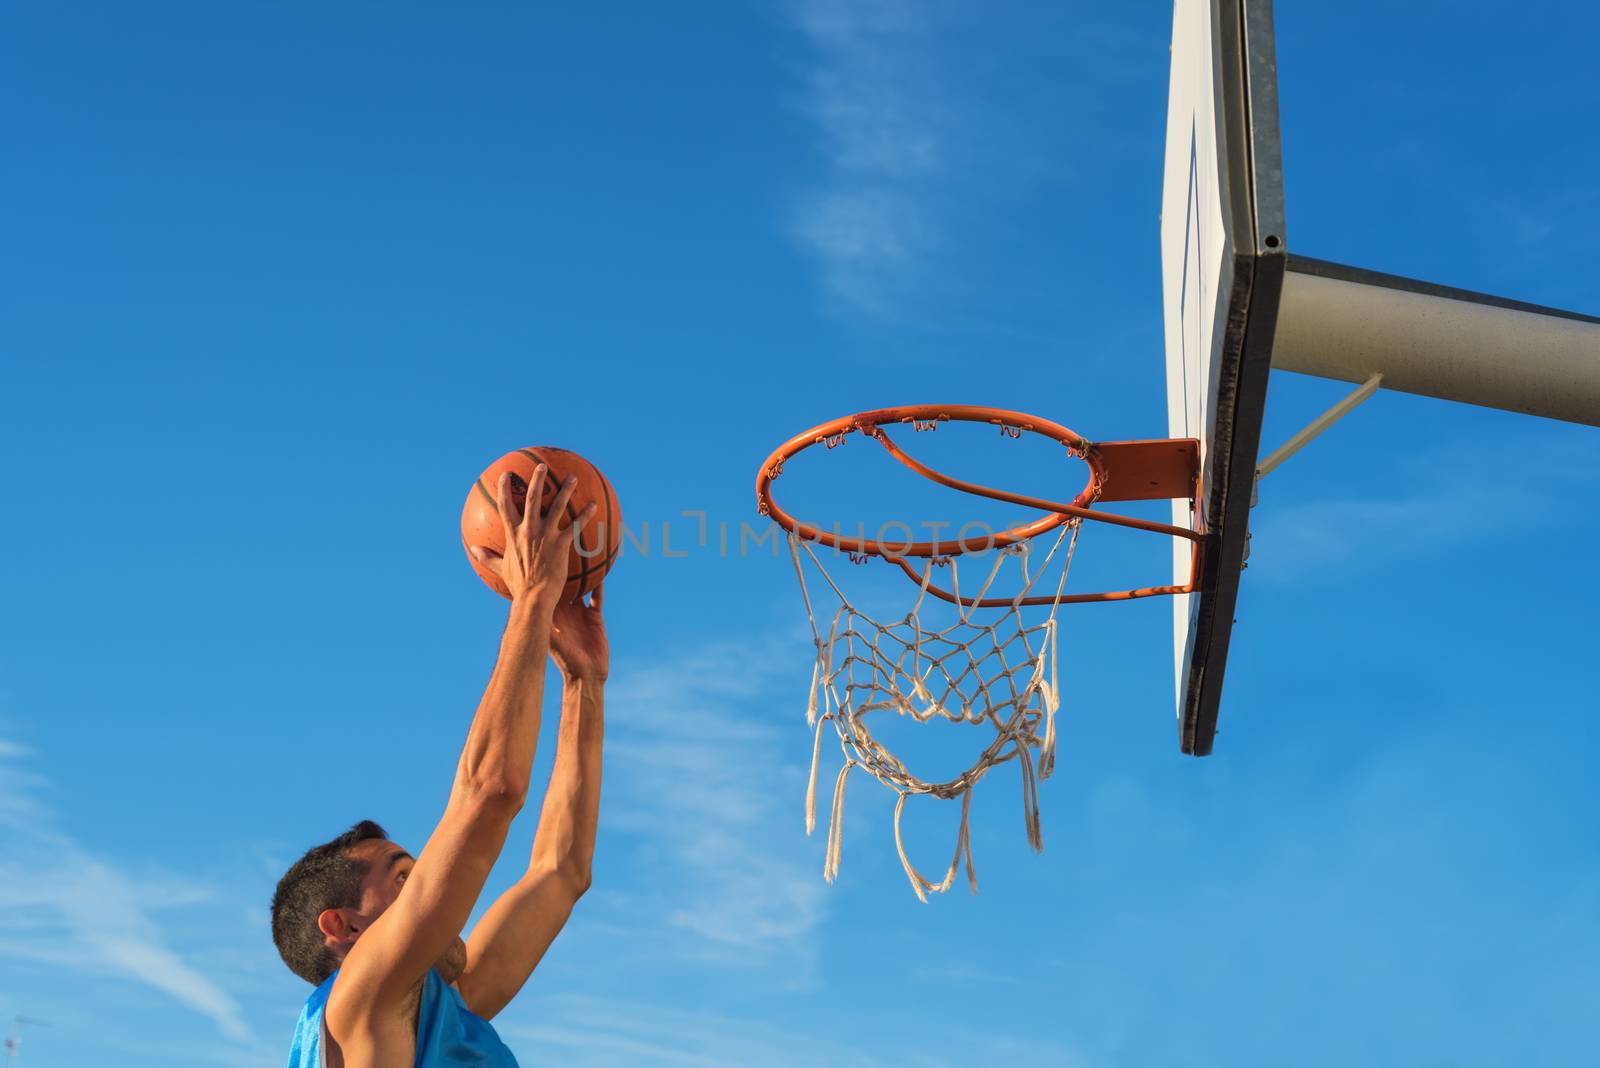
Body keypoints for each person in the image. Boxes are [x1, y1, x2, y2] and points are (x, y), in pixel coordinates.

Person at [271, 465, 607, 1067]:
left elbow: (562, 872)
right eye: (406, 878)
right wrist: (531, 596)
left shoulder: (438, 1009)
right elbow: (490, 793)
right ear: (344, 928)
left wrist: (583, 682)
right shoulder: (359, 1003)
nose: (433, 880)